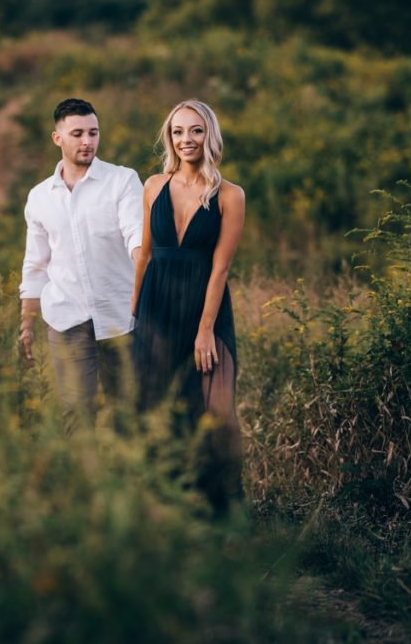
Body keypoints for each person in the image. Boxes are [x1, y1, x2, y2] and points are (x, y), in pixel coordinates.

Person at [132, 100, 245, 511]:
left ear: (209, 135)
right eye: (178, 131)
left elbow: (221, 268)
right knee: (154, 407)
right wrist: (131, 318)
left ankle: (224, 512)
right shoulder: (153, 187)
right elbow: (143, 257)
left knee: (216, 412)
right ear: (170, 137)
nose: (186, 140)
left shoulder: (230, 195)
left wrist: (205, 329)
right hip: (155, 309)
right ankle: (164, 508)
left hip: (205, 310)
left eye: (195, 130)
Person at [19, 98, 143, 423]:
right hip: (67, 319)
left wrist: (143, 261)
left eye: (93, 132)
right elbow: (36, 264)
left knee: (127, 412)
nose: (87, 141)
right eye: (77, 134)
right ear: (57, 138)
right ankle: (83, 474)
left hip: (120, 316)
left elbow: (136, 233)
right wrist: (27, 322)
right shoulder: (39, 197)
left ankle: (127, 474)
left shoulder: (123, 180)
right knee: (76, 413)